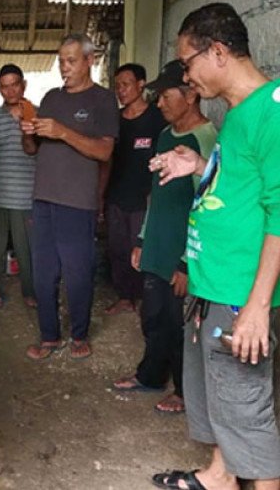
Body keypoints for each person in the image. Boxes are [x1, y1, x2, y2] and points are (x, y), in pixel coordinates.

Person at [149, 3, 280, 490]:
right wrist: (199, 167)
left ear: (218, 51)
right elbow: (242, 190)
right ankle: (219, 476)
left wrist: (257, 308)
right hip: (215, 281)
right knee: (220, 397)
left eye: (188, 63)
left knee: (248, 413)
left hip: (240, 293)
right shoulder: (240, 114)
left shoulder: (273, 112)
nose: (186, 75)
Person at [113, 59, 217, 415]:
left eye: (166, 96)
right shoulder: (164, 136)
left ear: (190, 95)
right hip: (157, 244)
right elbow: (155, 195)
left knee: (180, 325)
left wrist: (187, 263)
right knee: (154, 317)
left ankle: (185, 392)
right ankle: (151, 375)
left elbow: (209, 208)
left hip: (182, 253)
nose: (159, 103)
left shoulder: (205, 140)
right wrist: (142, 239)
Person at [21, 34, 119, 360]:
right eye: (61, 60)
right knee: (43, 271)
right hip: (44, 197)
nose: (65, 67)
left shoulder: (103, 100)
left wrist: (62, 131)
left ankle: (79, 333)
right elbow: (33, 151)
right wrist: (29, 133)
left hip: (77, 201)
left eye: (72, 60)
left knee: (78, 272)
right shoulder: (50, 98)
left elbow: (105, 151)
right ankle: (48, 335)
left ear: (90, 60)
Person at [102, 63, 167, 315]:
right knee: (117, 249)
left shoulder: (156, 119)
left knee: (140, 249)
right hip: (117, 196)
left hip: (145, 198)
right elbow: (106, 161)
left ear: (141, 85)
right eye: (117, 85)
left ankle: (144, 299)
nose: (121, 90)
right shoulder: (115, 121)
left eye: (126, 84)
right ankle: (124, 297)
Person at [0, 63, 38, 309]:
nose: (10, 91)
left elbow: (42, 154)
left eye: (15, 84)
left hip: (27, 196)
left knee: (28, 249)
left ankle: (31, 291)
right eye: (5, 87)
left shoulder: (39, 115)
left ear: (23, 85)